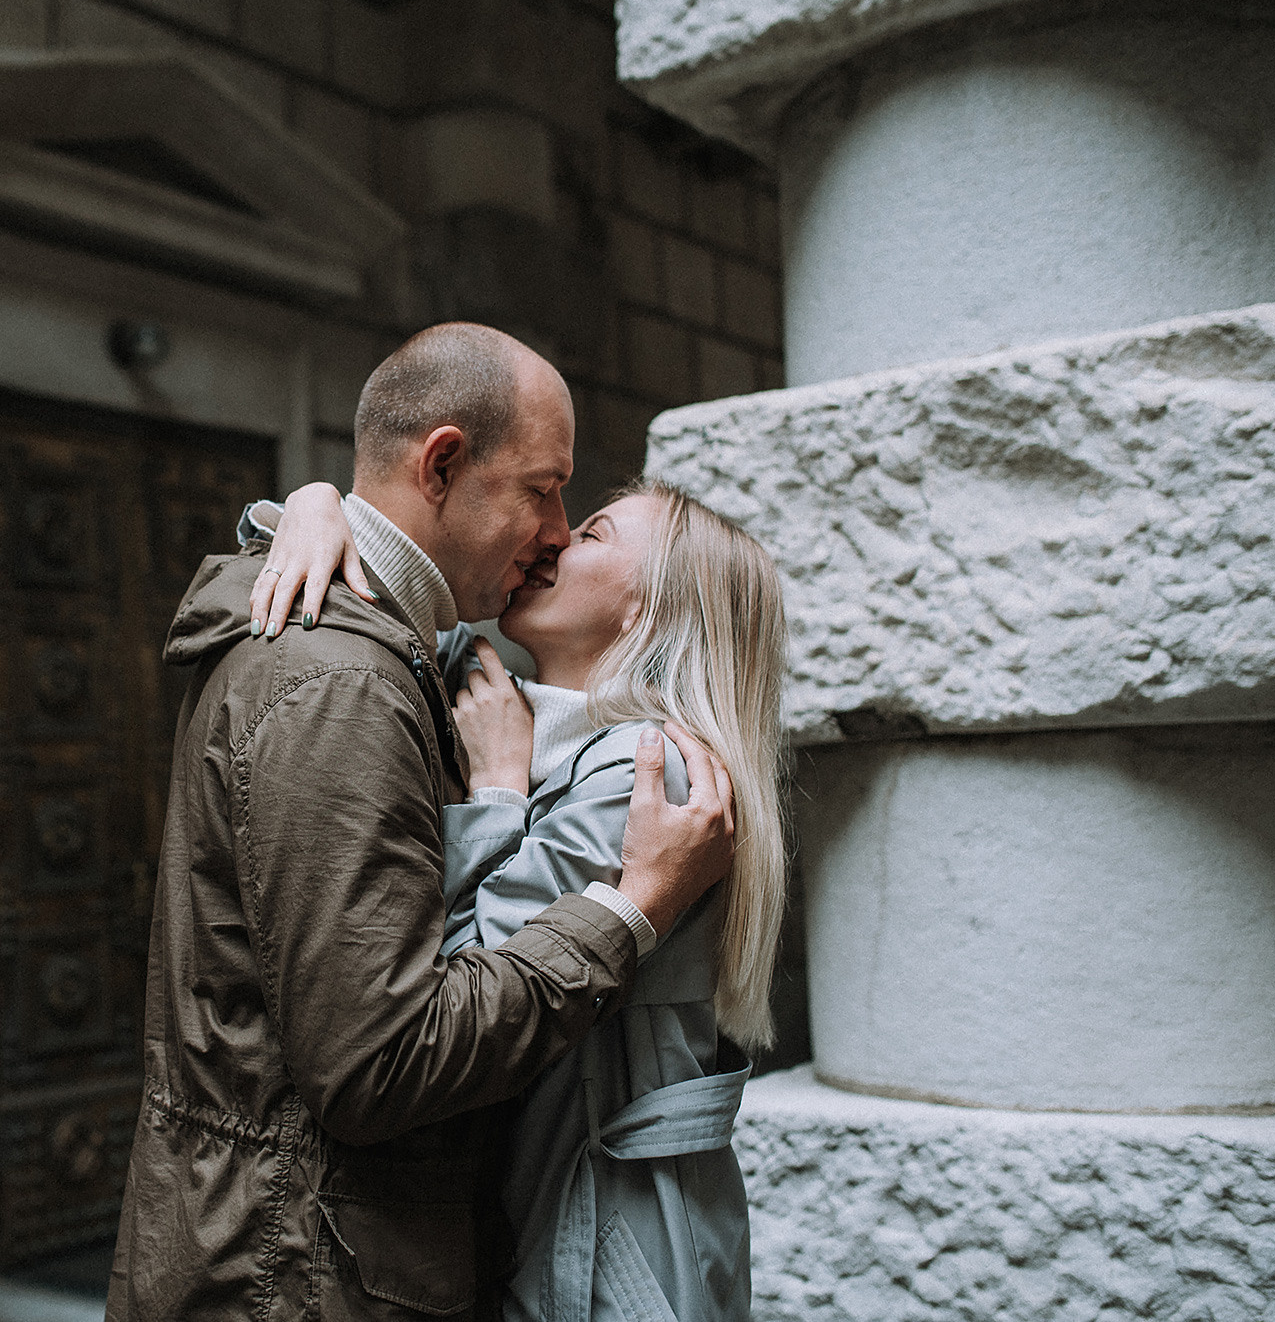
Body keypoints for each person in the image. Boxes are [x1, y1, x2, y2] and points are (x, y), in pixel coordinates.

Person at [107, 323, 738, 1322]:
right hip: (300, 1273)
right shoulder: (338, 682)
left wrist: (310, 505)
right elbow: (383, 1059)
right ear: (442, 462)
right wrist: (631, 906)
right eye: (542, 488)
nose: (555, 528)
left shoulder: (408, 662)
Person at [250, 477, 788, 1321]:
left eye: (596, 533)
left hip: (609, 1250)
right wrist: (320, 502)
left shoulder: (644, 775)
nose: (555, 539)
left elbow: (459, 987)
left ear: (647, 609)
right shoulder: (507, 695)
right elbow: (385, 565)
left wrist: (498, 790)